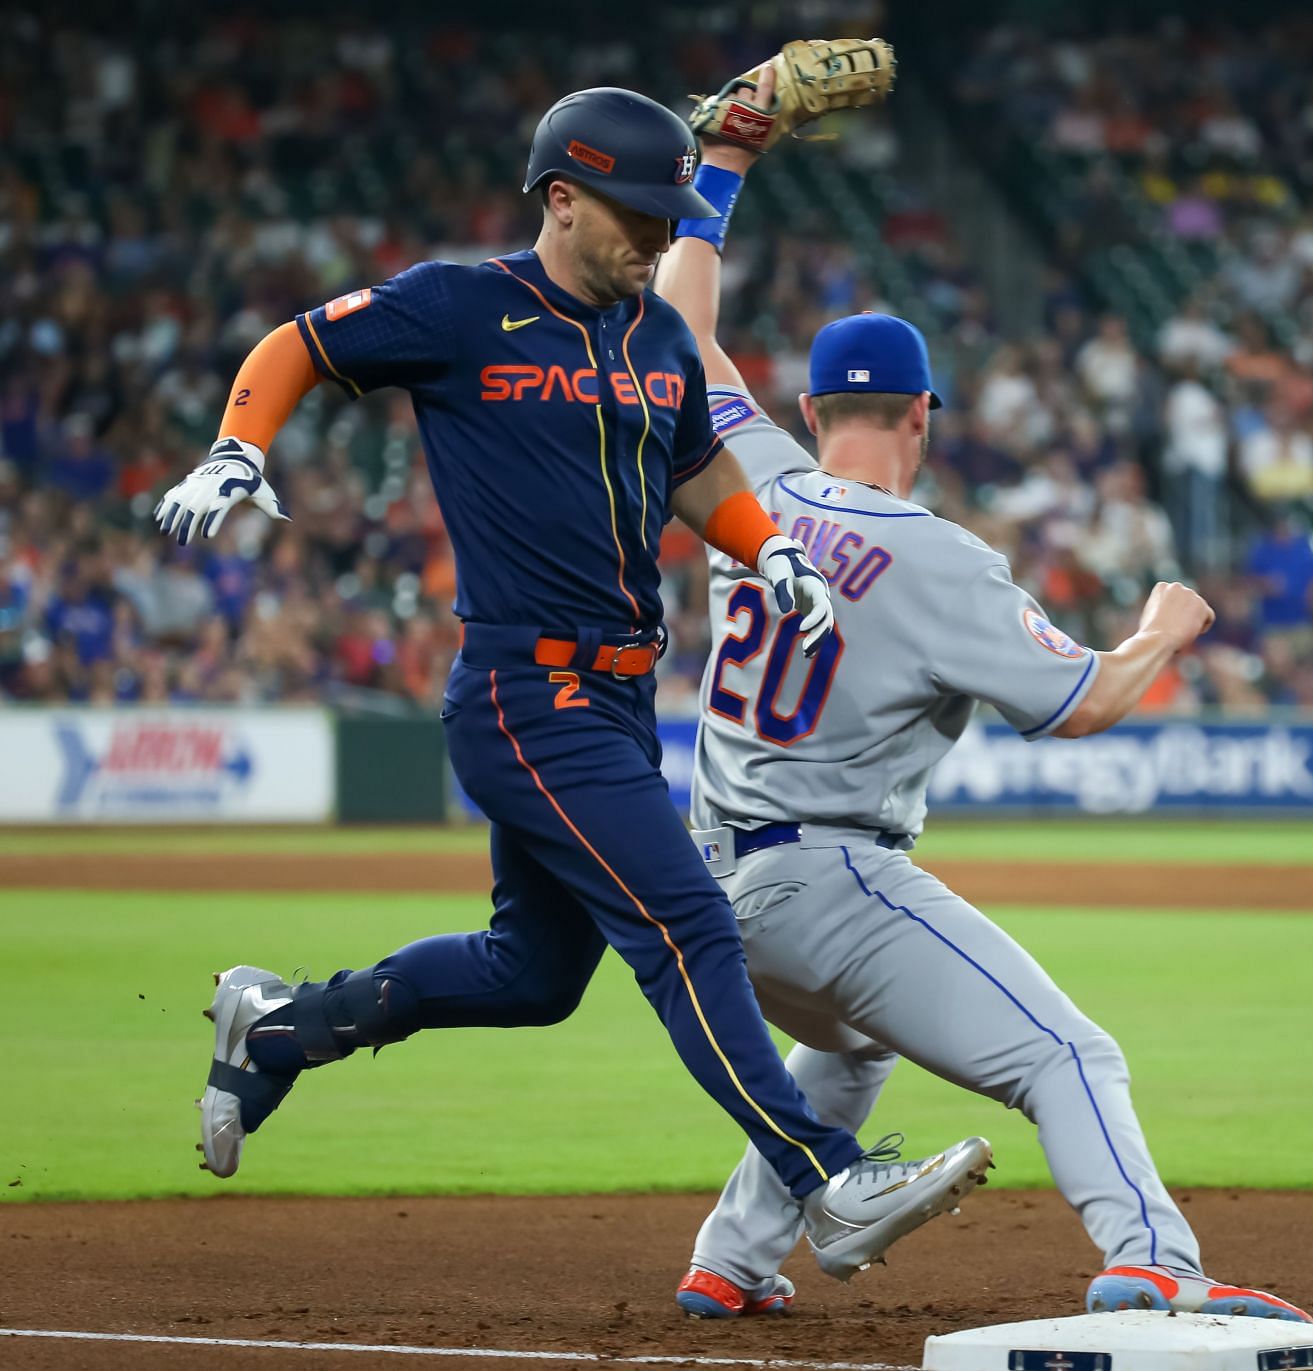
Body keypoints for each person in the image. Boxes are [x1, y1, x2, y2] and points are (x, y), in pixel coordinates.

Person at [160, 84, 988, 1285]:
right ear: (561, 197)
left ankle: (283, 1026)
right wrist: (241, 444)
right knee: (687, 921)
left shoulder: (654, 336)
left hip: (611, 701)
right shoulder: (459, 306)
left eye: (669, 220)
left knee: (533, 976)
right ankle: (827, 1180)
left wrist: (774, 548)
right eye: (639, 217)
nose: (658, 239)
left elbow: (699, 467)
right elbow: (301, 342)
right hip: (521, 690)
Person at [649, 57, 1313, 1325]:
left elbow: (676, 331)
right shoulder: (941, 557)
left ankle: (730, 1264)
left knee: (853, 1048)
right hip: (832, 879)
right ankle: (1154, 1261)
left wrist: (723, 165)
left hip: (711, 891)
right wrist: (1161, 629)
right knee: (1071, 1053)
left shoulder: (753, 477)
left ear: (808, 405)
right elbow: (1085, 706)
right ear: (923, 418)